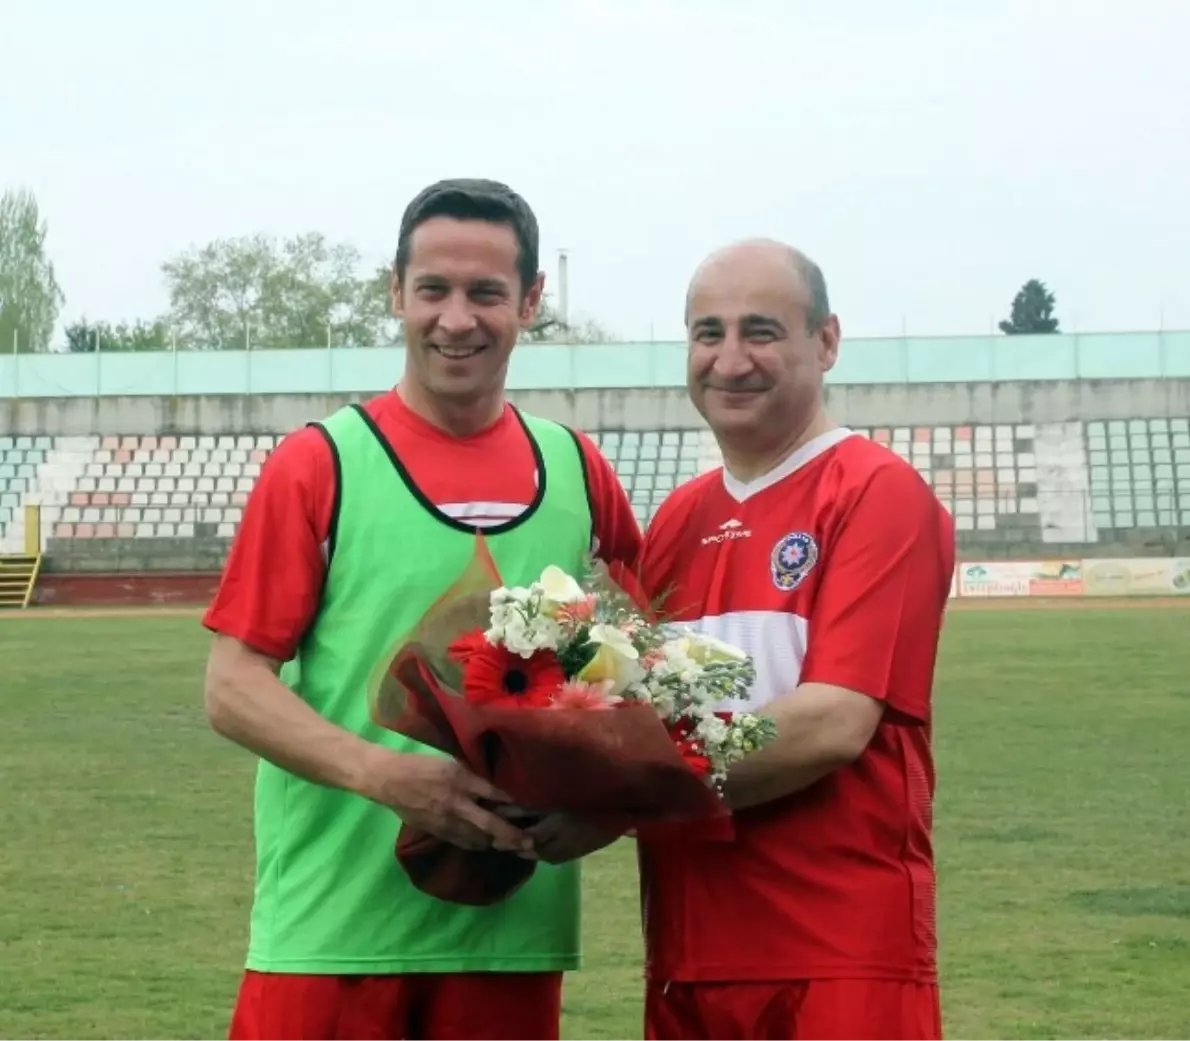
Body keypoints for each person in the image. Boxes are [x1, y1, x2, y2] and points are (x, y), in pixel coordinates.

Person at [202, 177, 641, 1041]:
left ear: (531, 301)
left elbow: (656, 657)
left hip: (511, 934)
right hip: (331, 933)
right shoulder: (320, 464)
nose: (456, 318)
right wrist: (384, 774)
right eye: (433, 289)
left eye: (486, 293)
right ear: (395, 291)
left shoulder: (578, 470)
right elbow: (231, 685)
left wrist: (609, 803)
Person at [634, 239, 956, 1041]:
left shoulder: (877, 493)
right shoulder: (675, 521)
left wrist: (620, 789)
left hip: (836, 951)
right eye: (708, 333)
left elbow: (832, 721)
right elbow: (633, 713)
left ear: (828, 341)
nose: (730, 359)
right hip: (687, 947)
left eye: (762, 331)